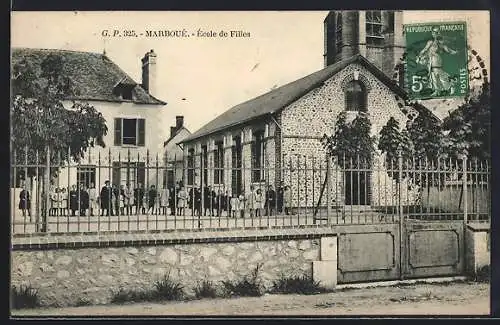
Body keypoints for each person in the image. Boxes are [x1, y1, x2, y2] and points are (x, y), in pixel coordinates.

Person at [416, 26, 458, 96]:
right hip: (431, 61)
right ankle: (437, 91)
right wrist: (419, 56)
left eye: (438, 32)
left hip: (436, 60)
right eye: (435, 32)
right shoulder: (430, 42)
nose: (437, 33)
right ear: (432, 33)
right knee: (433, 75)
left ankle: (450, 85)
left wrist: (454, 52)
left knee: (437, 73)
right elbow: (425, 49)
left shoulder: (440, 43)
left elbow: (447, 49)